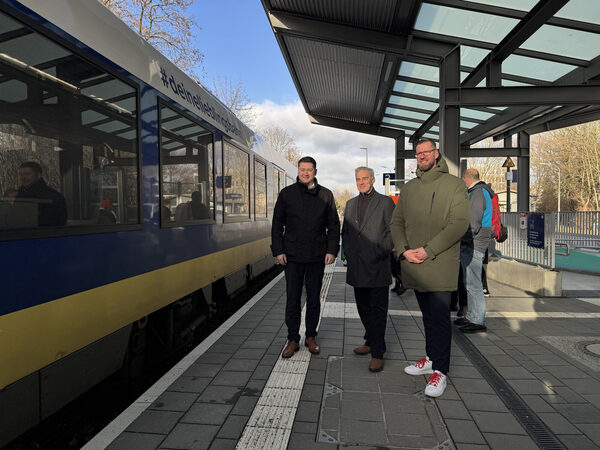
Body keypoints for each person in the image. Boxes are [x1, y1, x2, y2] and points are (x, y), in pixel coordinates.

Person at [390, 138, 469, 397]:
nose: (422, 156)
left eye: (426, 152)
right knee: (427, 317)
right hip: (415, 264)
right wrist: (403, 250)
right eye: (418, 153)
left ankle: (440, 372)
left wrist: (428, 250)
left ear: (437, 154)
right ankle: (431, 359)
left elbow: (458, 224)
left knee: (439, 318)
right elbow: (396, 223)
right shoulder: (410, 188)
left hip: (439, 265)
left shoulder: (454, 185)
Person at [271, 156, 340, 358]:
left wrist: (332, 250)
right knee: (292, 299)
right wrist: (278, 250)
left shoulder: (326, 195)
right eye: (302, 169)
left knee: (313, 299)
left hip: (316, 256)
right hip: (291, 257)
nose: (305, 173)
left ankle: (311, 336)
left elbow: (334, 226)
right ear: (298, 171)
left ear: (315, 172)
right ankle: (293, 339)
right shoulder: (286, 194)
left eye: (309, 170)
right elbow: (277, 225)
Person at [342, 167, 396, 372]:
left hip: (377, 266)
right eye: (358, 179)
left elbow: (393, 232)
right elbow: (346, 232)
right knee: (363, 308)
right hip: (357, 267)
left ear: (373, 180)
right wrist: (348, 253)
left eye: (365, 178)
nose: (361, 182)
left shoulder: (385, 202)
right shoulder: (350, 204)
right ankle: (370, 340)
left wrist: (378, 251)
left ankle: (378, 353)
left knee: (378, 311)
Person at [454, 168, 493, 333]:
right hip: (475, 242)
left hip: (474, 243)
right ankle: (472, 316)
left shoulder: (477, 193)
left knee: (474, 283)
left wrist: (465, 240)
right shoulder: (482, 192)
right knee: (470, 282)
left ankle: (477, 320)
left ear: (466, 178)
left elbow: (473, 221)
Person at [17, 161, 67, 226]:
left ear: (39, 175)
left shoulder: (52, 196)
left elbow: (59, 221)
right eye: (21, 175)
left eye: (27, 174)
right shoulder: (20, 194)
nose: (23, 178)